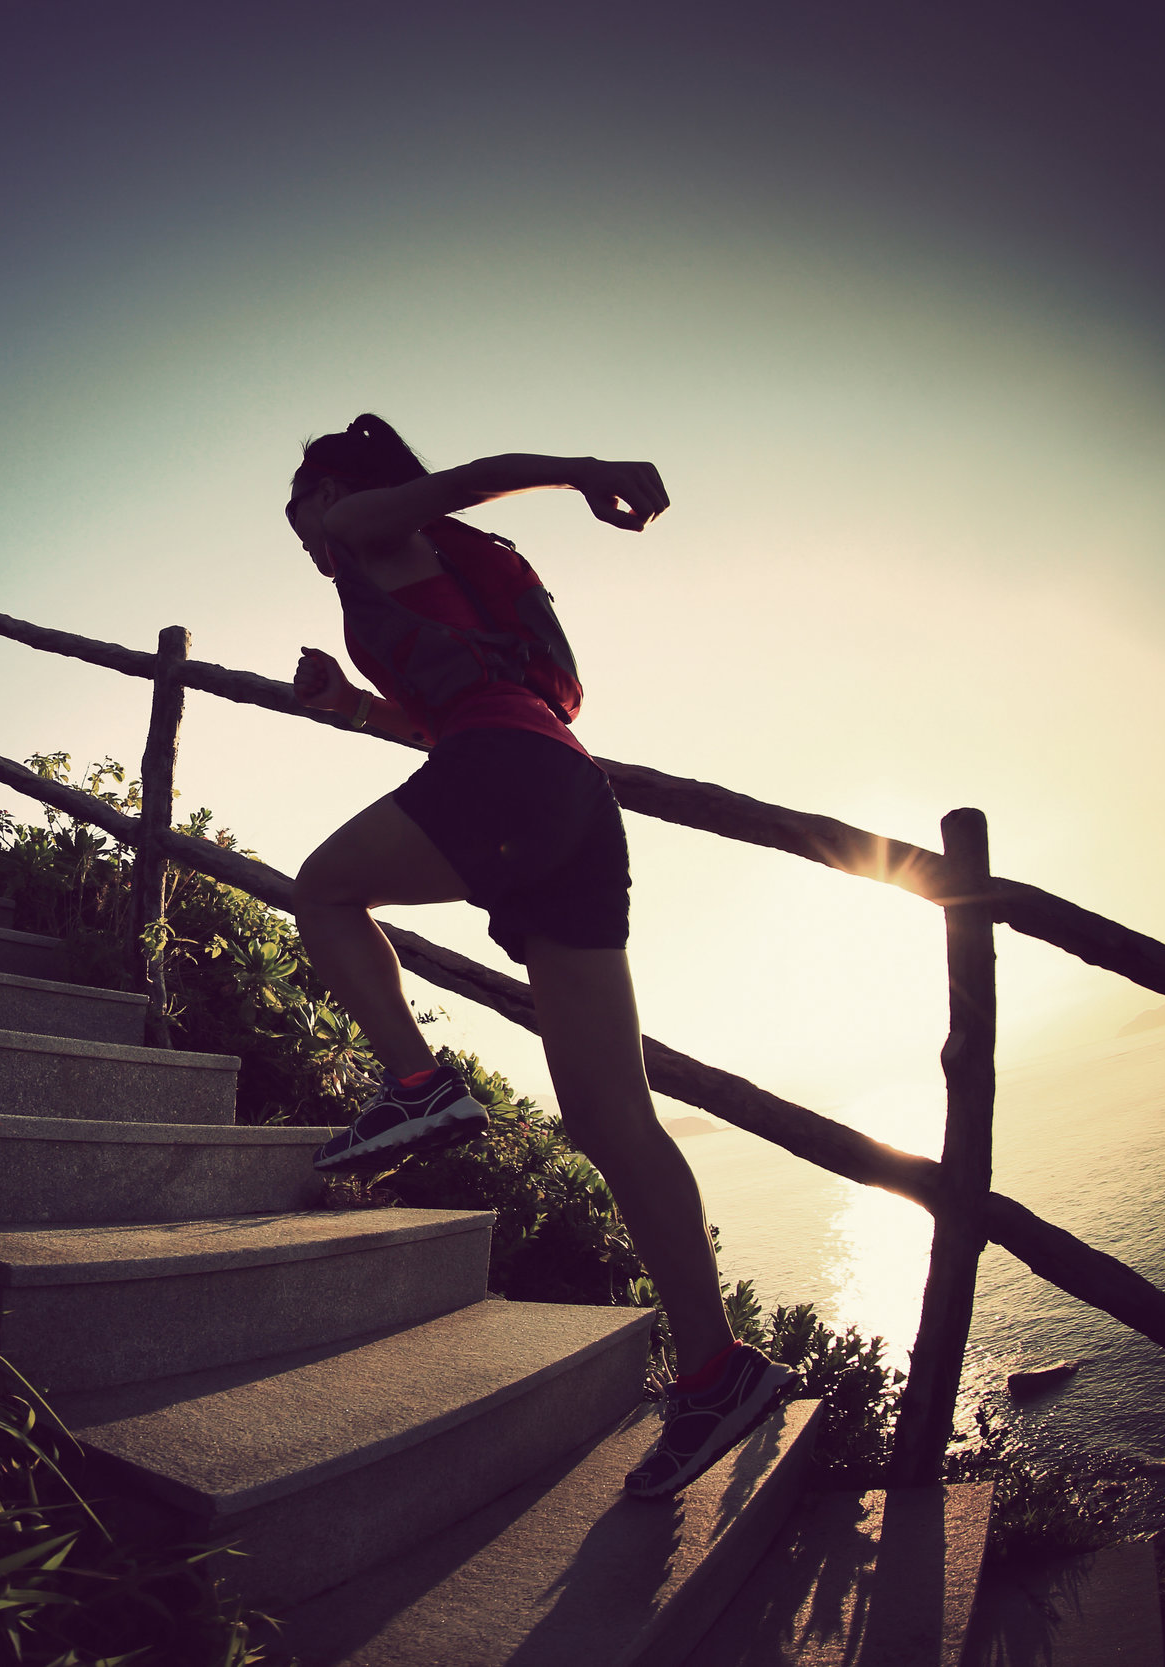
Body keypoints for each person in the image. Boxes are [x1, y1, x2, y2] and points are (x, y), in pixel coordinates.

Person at [282, 413, 790, 1500]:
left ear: (332, 491)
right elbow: (454, 717)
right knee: (612, 1115)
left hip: (507, 777)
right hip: (565, 793)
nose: (304, 537)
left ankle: (417, 1085)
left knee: (321, 890)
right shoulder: (446, 572)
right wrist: (351, 707)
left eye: (300, 513)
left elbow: (476, 475)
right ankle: (716, 1371)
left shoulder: (365, 516)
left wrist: (586, 470)